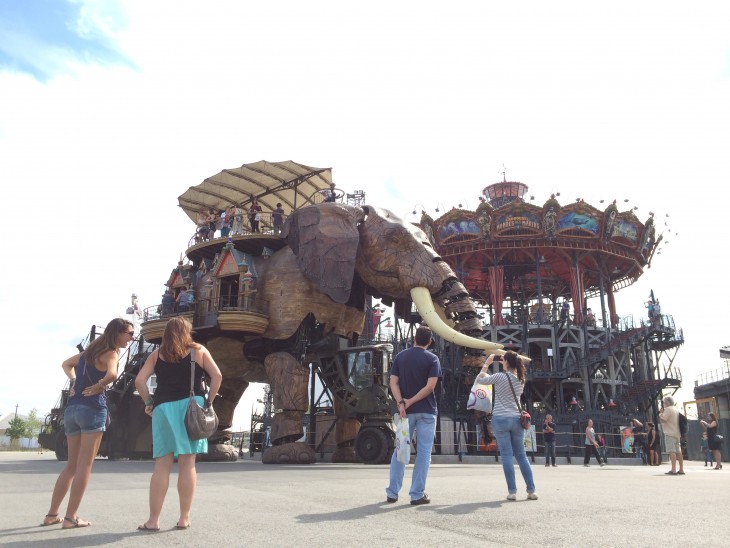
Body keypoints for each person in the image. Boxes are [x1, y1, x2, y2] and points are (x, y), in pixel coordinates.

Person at [41, 318, 135, 528]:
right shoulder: (111, 352)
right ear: (118, 333)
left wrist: (75, 381)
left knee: (71, 465)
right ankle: (70, 518)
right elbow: (112, 373)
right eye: (129, 333)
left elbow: (66, 363)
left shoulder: (88, 353)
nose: (132, 338)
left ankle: (51, 515)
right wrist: (101, 385)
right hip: (92, 408)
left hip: (72, 409)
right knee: (85, 466)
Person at [134, 316, 222, 531]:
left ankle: (153, 520)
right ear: (187, 331)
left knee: (162, 464)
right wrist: (209, 400)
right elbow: (217, 376)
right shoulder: (198, 350)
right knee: (187, 463)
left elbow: (139, 381)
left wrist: (148, 402)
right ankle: (184, 518)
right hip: (191, 408)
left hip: (163, 408)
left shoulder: (157, 355)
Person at [385, 326, 441, 505]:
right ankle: (417, 494)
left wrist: (402, 402)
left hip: (405, 413)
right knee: (424, 453)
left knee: (400, 450)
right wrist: (411, 401)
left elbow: (393, 382)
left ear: (414, 338)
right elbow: (430, 387)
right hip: (427, 411)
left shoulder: (401, 357)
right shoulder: (433, 359)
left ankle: (392, 493)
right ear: (430, 342)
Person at [475, 351, 537, 500]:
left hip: (501, 418)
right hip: (516, 419)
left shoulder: (500, 376)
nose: (501, 362)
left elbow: (480, 380)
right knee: (522, 456)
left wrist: (487, 363)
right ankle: (531, 490)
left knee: (507, 457)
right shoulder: (521, 379)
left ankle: (512, 492)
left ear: (507, 363)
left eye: (503, 361)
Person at [659, 395, 685, 475]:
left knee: (672, 451)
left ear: (666, 402)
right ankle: (681, 469)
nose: (663, 404)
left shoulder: (667, 409)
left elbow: (663, 420)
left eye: (663, 402)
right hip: (677, 433)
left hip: (669, 433)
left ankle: (673, 469)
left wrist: (660, 414)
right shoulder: (675, 410)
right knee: (678, 452)